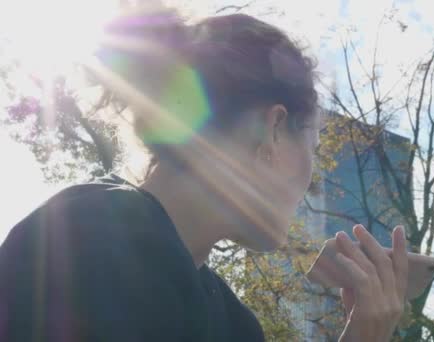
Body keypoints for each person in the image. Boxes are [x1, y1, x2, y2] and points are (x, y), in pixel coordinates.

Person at [0, 5, 409, 342]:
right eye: (313, 150)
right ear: (272, 129)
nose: (310, 178)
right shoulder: (89, 237)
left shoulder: (237, 324)